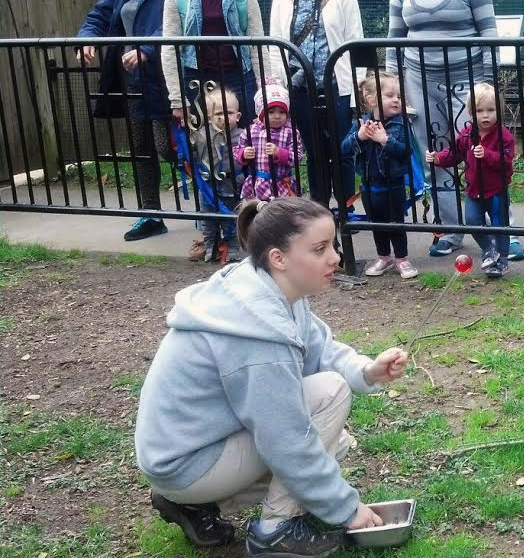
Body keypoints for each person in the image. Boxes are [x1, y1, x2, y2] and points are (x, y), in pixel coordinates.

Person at [135, 197, 406, 557]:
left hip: (181, 452)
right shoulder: (258, 331)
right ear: (278, 258)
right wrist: (347, 509)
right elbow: (286, 440)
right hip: (188, 463)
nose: (336, 258)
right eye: (320, 249)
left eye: (333, 245)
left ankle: (193, 505)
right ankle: (275, 532)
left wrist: (365, 370)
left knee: (332, 441)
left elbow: (319, 349)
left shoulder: (264, 290)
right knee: (328, 403)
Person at [388, 0, 498, 259]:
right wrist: (395, 87)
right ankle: (452, 230)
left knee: (479, 153)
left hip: (469, 81)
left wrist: (488, 85)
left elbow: (489, 32)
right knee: (435, 156)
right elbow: (395, 40)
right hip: (419, 81)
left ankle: (499, 230)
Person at [77, 0, 178, 242]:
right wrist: (87, 38)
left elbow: (175, 23)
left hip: (166, 79)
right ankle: (151, 215)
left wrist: (146, 47)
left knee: (169, 146)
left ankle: (210, 205)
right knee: (142, 150)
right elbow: (99, 15)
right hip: (133, 81)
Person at [269, 0, 365, 205]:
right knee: (314, 151)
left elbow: (354, 40)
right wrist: (279, 83)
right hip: (300, 85)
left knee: (342, 149)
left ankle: (346, 206)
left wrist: (358, 89)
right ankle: (319, 207)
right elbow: (275, 40)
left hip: (337, 83)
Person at [161, 0, 273, 129]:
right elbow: (170, 48)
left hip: (238, 77)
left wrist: (266, 87)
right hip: (196, 79)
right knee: (201, 142)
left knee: (245, 139)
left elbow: (257, 43)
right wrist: (177, 99)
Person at [426, 82, 516, 278]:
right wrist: (439, 158)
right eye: (479, 110)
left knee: (500, 226)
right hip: (474, 191)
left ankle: (502, 261)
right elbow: (455, 153)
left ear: (499, 111)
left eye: (491, 110)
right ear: (469, 112)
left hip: (496, 190)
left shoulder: (504, 136)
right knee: (472, 222)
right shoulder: (467, 134)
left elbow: (506, 162)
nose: (485, 115)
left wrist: (487, 155)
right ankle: (488, 250)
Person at [341, 71, 419, 279]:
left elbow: (406, 151)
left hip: (393, 185)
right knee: (376, 223)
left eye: (399, 97)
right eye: (390, 95)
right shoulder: (362, 123)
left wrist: (385, 140)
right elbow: (344, 149)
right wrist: (359, 136)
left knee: (395, 223)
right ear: (372, 100)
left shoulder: (400, 123)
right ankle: (383, 256)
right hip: (368, 185)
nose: (396, 100)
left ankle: (401, 258)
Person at [188, 83, 245, 263]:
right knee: (208, 221)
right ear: (210, 117)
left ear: (238, 115)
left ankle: (234, 247)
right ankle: (210, 245)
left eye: (228, 113)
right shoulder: (202, 134)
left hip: (233, 185)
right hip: (208, 187)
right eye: (218, 114)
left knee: (232, 219)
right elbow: (192, 154)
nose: (223, 118)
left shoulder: (244, 135)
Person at [236, 85, 302, 201]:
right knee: (255, 213)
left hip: (281, 184)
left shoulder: (290, 132)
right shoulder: (251, 131)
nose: (277, 116)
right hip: (256, 183)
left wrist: (279, 153)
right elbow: (236, 151)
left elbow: (298, 157)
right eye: (271, 112)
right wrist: (243, 154)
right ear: (261, 114)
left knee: (280, 214)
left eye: (282, 112)